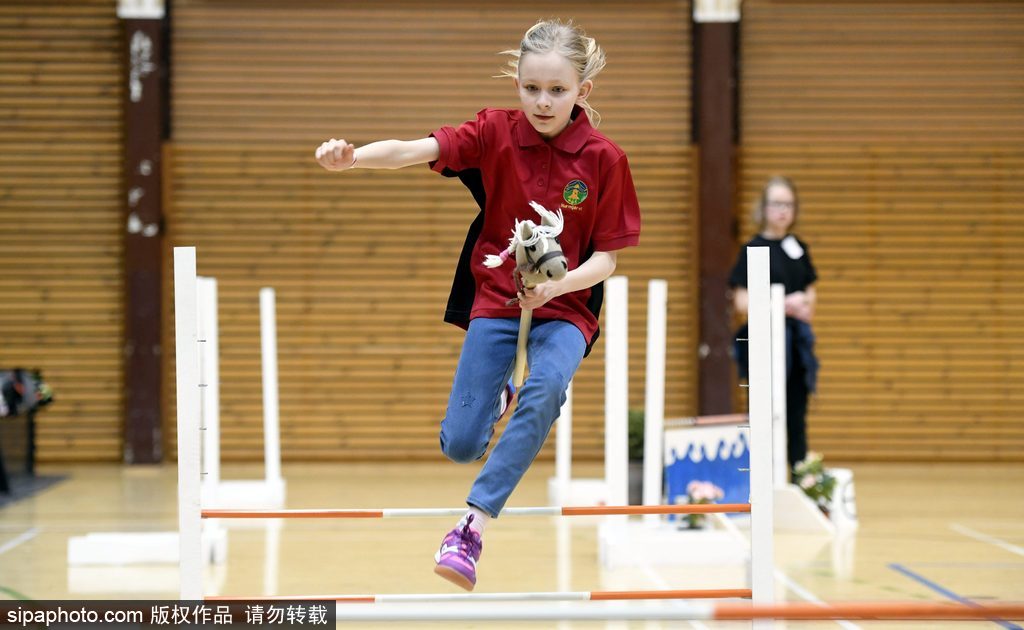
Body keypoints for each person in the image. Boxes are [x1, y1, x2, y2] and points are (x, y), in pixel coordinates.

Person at [314, 19, 641, 591]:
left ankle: (471, 526)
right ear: (516, 82)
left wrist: (555, 289)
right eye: (531, 87)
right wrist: (353, 158)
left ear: (582, 91)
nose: (543, 101)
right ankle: (501, 401)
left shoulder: (604, 159)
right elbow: (415, 149)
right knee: (462, 444)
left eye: (557, 90)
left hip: (567, 310)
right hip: (495, 301)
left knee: (549, 383)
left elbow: (606, 262)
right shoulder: (493, 132)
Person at [728, 175, 818, 471]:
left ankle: (798, 476)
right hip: (763, 343)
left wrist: (797, 304)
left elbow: (810, 301)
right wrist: (781, 304)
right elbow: (743, 304)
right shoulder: (752, 249)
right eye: (777, 203)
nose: (783, 210)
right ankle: (763, 476)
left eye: (789, 205)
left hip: (797, 343)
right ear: (764, 207)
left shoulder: (799, 248)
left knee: (796, 412)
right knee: (764, 410)